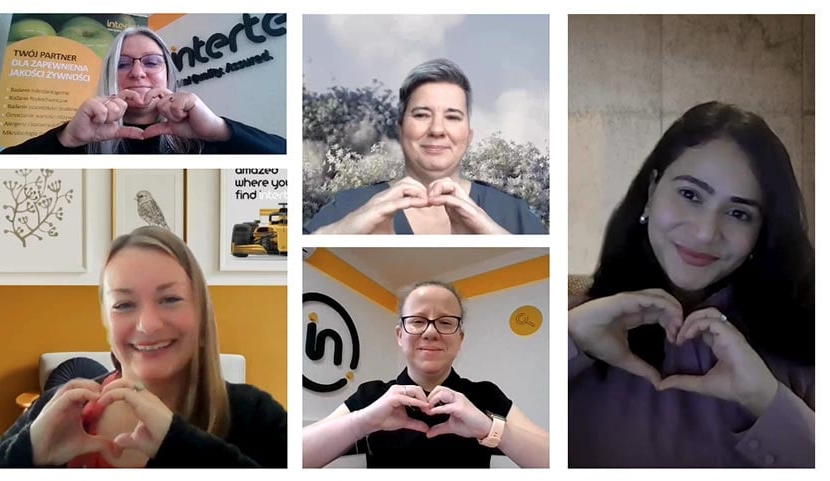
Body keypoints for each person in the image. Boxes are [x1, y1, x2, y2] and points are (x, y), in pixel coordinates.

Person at [568, 102, 814, 467]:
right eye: (690, 195)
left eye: (738, 213)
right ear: (652, 191)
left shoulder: (804, 339)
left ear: (761, 232)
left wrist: (768, 400)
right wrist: (570, 341)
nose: (704, 232)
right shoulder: (570, 318)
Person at [0, 226, 287, 468]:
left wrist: (178, 444)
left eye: (169, 299)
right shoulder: (55, 409)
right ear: (106, 319)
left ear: (200, 311)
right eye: (124, 304)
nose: (147, 325)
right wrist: (25, 456)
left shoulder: (257, 417)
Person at [303, 281, 549, 468]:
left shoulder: (485, 394)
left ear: (459, 339)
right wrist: (363, 421)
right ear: (400, 335)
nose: (431, 333)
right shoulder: (372, 394)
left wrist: (489, 429)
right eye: (418, 321)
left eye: (445, 322)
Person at [304, 58, 544, 234]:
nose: (437, 130)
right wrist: (339, 234)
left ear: (469, 135)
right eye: (421, 115)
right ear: (400, 130)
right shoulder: (348, 206)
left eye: (452, 117)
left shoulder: (515, 215)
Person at [0, 27, 285, 154]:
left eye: (151, 62)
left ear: (168, 73)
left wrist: (218, 130)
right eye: (123, 64)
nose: (137, 73)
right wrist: (65, 139)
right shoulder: (81, 138)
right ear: (110, 75)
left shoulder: (202, 136)